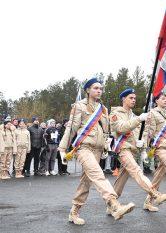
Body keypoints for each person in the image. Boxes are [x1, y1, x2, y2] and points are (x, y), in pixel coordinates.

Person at [58, 78, 135, 225]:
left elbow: (106, 131)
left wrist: (106, 146)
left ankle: (74, 212)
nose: (99, 90)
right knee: (98, 175)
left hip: (98, 149)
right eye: (95, 88)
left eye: (100, 88)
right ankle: (114, 204)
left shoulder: (103, 109)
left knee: (86, 182)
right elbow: (72, 128)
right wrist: (62, 149)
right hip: (84, 148)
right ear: (87, 90)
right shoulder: (79, 106)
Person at [109, 88, 166, 213]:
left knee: (121, 179)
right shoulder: (115, 113)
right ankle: (155, 194)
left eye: (134, 98)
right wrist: (139, 120)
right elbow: (121, 128)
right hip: (122, 149)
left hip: (132, 150)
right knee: (137, 171)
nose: (133, 100)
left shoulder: (134, 116)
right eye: (130, 98)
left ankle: (111, 204)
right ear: (123, 99)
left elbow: (139, 134)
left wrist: (142, 143)